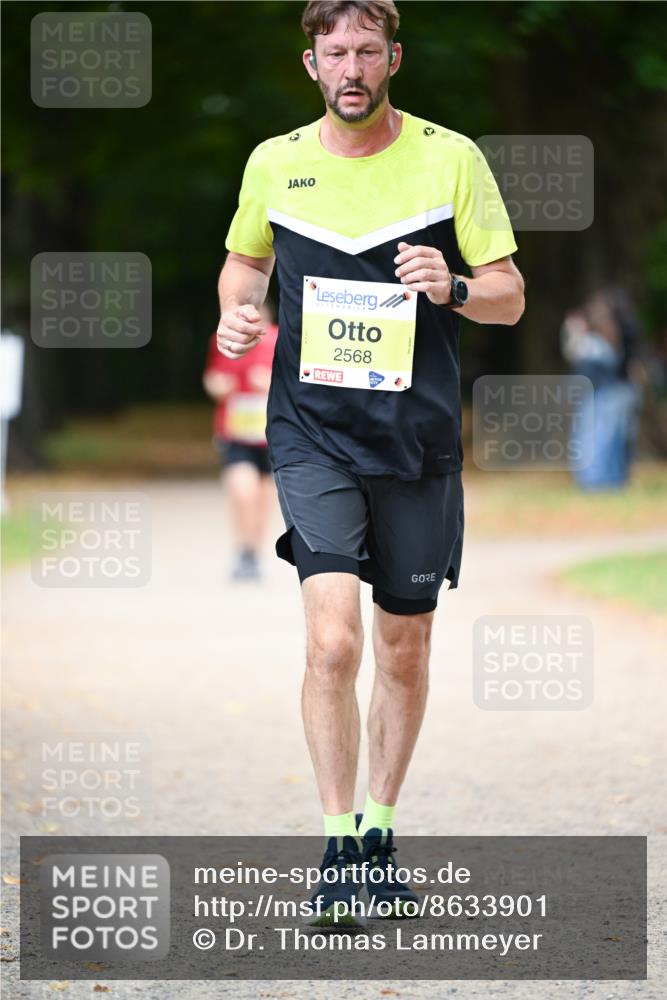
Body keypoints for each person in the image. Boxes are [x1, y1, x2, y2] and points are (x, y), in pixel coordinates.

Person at [216, 0, 524, 925]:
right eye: (332, 52)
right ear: (310, 64)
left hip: (417, 438)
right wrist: (238, 312)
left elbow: (508, 296)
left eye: (365, 51)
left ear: (394, 58)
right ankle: (337, 843)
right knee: (331, 639)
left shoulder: (450, 157)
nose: (349, 66)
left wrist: (459, 285)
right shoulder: (275, 161)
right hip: (310, 429)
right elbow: (242, 266)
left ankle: (381, 835)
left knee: (403, 643)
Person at [203, 302, 278, 580]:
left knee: (263, 497)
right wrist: (216, 386)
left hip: (270, 433)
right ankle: (243, 549)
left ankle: (253, 553)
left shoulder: (278, 339)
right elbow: (212, 376)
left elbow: (298, 384)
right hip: (234, 431)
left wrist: (270, 384)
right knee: (242, 491)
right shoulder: (222, 339)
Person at [561, 289, 641, 489]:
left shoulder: (605, 340)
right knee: (601, 437)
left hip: (608, 393)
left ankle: (605, 481)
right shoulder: (593, 340)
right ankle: (600, 481)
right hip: (600, 393)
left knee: (606, 438)